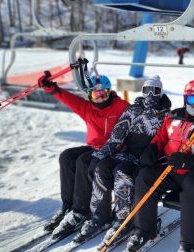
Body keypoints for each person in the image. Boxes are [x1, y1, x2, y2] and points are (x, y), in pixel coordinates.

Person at [125, 80, 194, 252]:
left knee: (193, 191)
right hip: (170, 167)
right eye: (191, 100)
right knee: (145, 177)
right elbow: (161, 137)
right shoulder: (173, 116)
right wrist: (153, 148)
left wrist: (193, 161)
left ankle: (189, 242)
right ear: (185, 99)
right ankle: (144, 229)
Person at [71, 76, 172, 243]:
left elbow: (167, 141)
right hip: (128, 153)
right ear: (143, 91)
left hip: (148, 159)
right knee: (102, 167)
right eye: (147, 90)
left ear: (161, 93)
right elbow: (117, 136)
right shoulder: (133, 110)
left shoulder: (166, 115)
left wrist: (155, 156)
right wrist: (99, 155)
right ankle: (100, 215)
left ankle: (124, 219)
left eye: (156, 91)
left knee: (121, 172)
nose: (151, 95)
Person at [39, 74, 130, 239]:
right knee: (66, 157)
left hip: (114, 150)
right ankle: (68, 205)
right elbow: (70, 100)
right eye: (96, 94)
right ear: (90, 95)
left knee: (83, 161)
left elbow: (137, 121)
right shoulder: (88, 108)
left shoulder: (121, 106)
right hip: (95, 148)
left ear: (109, 91)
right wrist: (53, 89)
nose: (100, 97)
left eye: (103, 93)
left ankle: (81, 210)